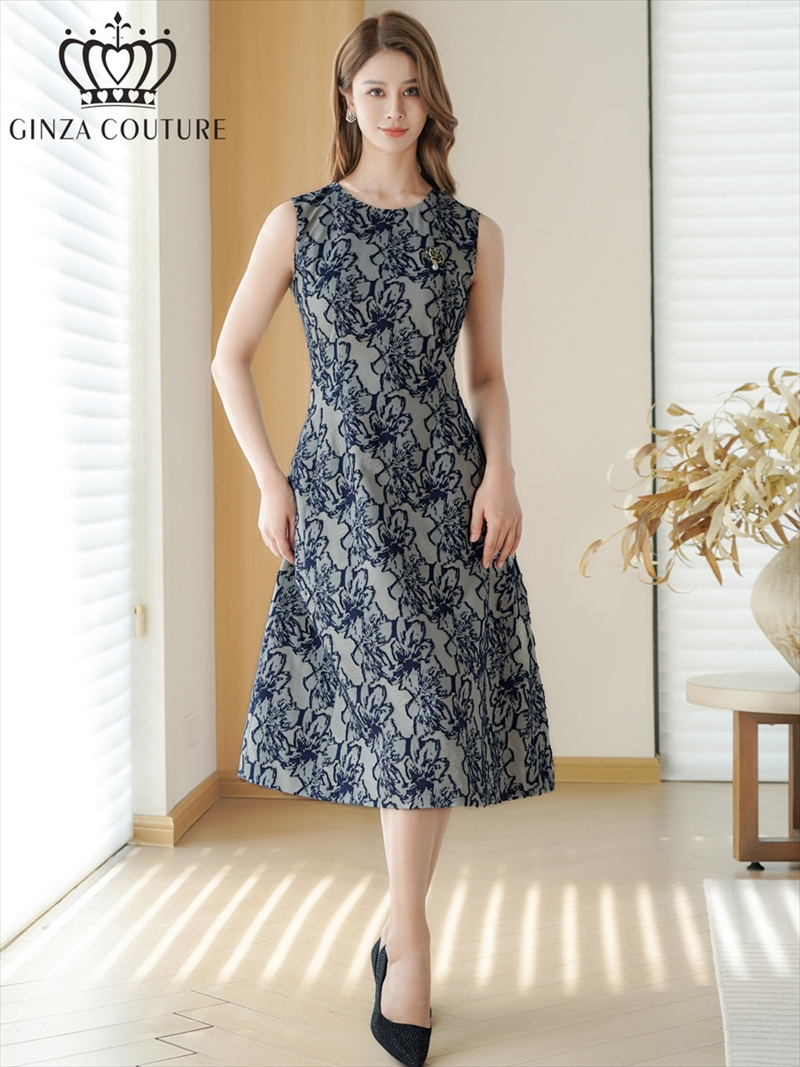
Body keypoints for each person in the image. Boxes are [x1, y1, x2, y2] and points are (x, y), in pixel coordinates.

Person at [211, 10, 554, 1066]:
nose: (394, 109)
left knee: (433, 716)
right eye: (375, 91)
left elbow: (484, 374)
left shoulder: (471, 233)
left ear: (429, 100)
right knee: (406, 715)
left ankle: (400, 929)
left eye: (410, 91)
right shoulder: (298, 223)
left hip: (446, 491)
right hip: (341, 499)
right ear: (347, 102)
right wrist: (269, 483)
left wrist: (501, 470)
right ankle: (410, 944)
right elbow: (229, 357)